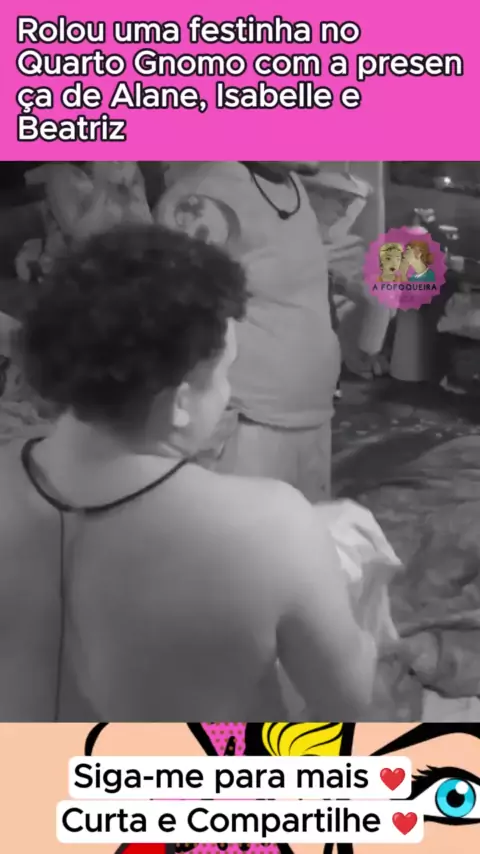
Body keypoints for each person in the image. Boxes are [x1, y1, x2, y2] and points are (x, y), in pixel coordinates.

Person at [0, 224, 376, 723]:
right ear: (179, 401)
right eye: (225, 373)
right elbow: (348, 702)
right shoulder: (275, 527)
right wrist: (363, 593)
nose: (227, 392)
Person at [154, 161, 340, 502]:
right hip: (247, 426)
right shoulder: (205, 197)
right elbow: (173, 316)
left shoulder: (291, 186)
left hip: (310, 416)